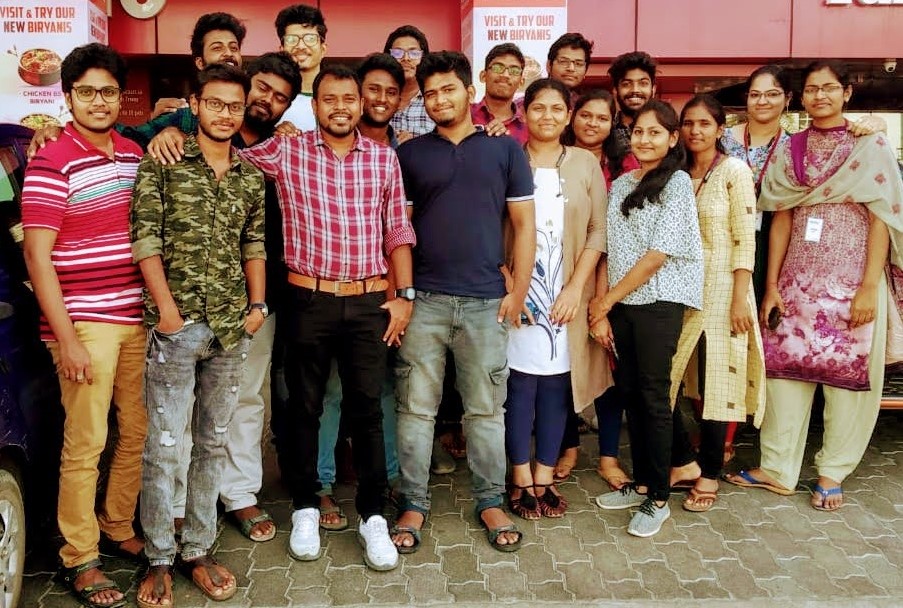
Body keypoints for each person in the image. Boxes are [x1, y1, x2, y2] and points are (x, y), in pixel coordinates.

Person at [237, 64, 416, 571]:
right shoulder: (287, 150)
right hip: (307, 300)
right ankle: (305, 507)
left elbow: (397, 230)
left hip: (367, 301)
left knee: (367, 410)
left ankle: (372, 516)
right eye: (329, 99)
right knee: (304, 408)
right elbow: (223, 152)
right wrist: (173, 129)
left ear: (360, 105)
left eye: (348, 99)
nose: (340, 108)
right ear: (313, 106)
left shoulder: (382, 158)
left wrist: (404, 295)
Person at [725, 61, 903, 512]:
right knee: (785, 375)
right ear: (800, 98)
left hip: (853, 283)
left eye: (828, 88)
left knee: (848, 382)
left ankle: (832, 471)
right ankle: (777, 468)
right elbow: (781, 218)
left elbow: (883, 219)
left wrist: (869, 287)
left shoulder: (870, 145)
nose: (819, 96)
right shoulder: (791, 147)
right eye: (811, 89)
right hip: (796, 282)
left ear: (847, 93)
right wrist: (771, 285)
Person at [131, 63, 265, 606]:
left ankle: (198, 549)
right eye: (215, 103)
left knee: (213, 441)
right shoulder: (164, 160)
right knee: (165, 445)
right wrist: (166, 312)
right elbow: (145, 238)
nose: (225, 114)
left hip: (231, 328)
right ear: (195, 104)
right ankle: (159, 557)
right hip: (177, 326)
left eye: (235, 106)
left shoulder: (249, 176)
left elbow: (253, 242)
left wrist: (257, 305)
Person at [392, 51, 535, 553]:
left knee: (485, 411)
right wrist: (402, 295)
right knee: (416, 409)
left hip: (485, 302)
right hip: (425, 301)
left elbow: (523, 225)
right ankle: (413, 502)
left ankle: (490, 500)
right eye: (430, 93)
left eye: (448, 89)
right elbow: (399, 231)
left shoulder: (505, 150)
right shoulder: (410, 155)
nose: (439, 100)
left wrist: (518, 291)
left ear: (469, 92)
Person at [21, 43, 145, 608]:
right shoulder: (52, 160)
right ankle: (80, 555)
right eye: (87, 91)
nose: (99, 101)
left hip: (135, 316)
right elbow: (37, 256)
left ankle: (117, 524)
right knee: (86, 442)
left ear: (121, 97)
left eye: (109, 91)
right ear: (68, 97)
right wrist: (66, 337)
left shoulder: (132, 153)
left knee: (136, 432)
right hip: (86, 324)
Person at [590, 100, 703, 538]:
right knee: (631, 393)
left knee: (654, 397)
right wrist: (604, 302)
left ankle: (658, 496)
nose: (644, 139)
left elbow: (657, 256)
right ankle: (640, 483)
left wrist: (605, 301)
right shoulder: (621, 184)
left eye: (655, 132)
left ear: (673, 138)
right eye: (638, 131)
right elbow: (609, 249)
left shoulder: (677, 182)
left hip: (659, 302)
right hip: (623, 305)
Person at [504, 78, 608, 520]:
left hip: (566, 296)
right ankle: (519, 476)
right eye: (538, 107)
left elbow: (598, 230)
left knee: (555, 387)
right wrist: (511, 287)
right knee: (518, 387)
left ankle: (544, 475)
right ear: (524, 113)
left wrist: (575, 289)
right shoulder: (507, 157)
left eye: (556, 108)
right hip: (518, 295)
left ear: (568, 115)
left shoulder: (585, 163)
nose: (547, 116)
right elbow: (487, 225)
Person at [315, 53, 407, 532]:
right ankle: (322, 484)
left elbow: (399, 229)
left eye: (390, 91)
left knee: (379, 391)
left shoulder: (399, 150)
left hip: (385, 293)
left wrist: (404, 295)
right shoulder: (302, 147)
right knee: (330, 391)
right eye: (372, 89)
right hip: (325, 293)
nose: (379, 99)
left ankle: (385, 478)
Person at [665, 94, 765, 513]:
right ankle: (682, 461)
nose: (695, 131)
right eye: (688, 123)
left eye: (704, 123)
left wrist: (741, 298)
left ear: (720, 129)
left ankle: (708, 472)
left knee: (718, 382)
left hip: (726, 288)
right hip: (681, 288)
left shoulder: (734, 171)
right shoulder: (676, 173)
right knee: (664, 377)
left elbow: (745, 237)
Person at [25, 12, 247, 158]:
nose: (228, 53)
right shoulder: (183, 118)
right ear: (199, 62)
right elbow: (126, 136)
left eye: (233, 47)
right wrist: (64, 132)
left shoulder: (258, 103)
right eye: (217, 48)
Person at [561, 89, 639, 489]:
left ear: (613, 123)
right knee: (564, 364)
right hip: (564, 275)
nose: (592, 123)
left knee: (609, 367)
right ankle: (568, 447)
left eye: (602, 117)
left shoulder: (625, 167)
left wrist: (602, 297)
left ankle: (608, 456)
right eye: (586, 115)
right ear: (573, 117)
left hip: (616, 279)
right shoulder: (554, 156)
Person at [276, 4, 328, 132]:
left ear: (323, 49)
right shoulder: (273, 99)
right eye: (291, 40)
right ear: (282, 50)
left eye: (310, 39)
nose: (301, 46)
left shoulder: (341, 96)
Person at [384, 25, 435, 141]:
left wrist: (415, 144)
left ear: (424, 58)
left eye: (414, 53)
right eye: (397, 53)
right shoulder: (378, 100)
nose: (406, 58)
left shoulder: (434, 100)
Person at [471, 42, 528, 145]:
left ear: (521, 82)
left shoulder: (528, 126)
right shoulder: (465, 115)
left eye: (514, 70)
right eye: (497, 68)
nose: (505, 75)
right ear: (483, 76)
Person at [607, 51, 657, 149]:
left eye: (643, 83)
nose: (635, 90)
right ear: (615, 91)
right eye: (626, 84)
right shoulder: (605, 131)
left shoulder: (666, 130)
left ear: (653, 90)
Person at [546, 33, 593, 98]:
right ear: (549, 65)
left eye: (578, 64)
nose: (571, 68)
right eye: (564, 61)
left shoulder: (584, 103)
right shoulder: (534, 98)